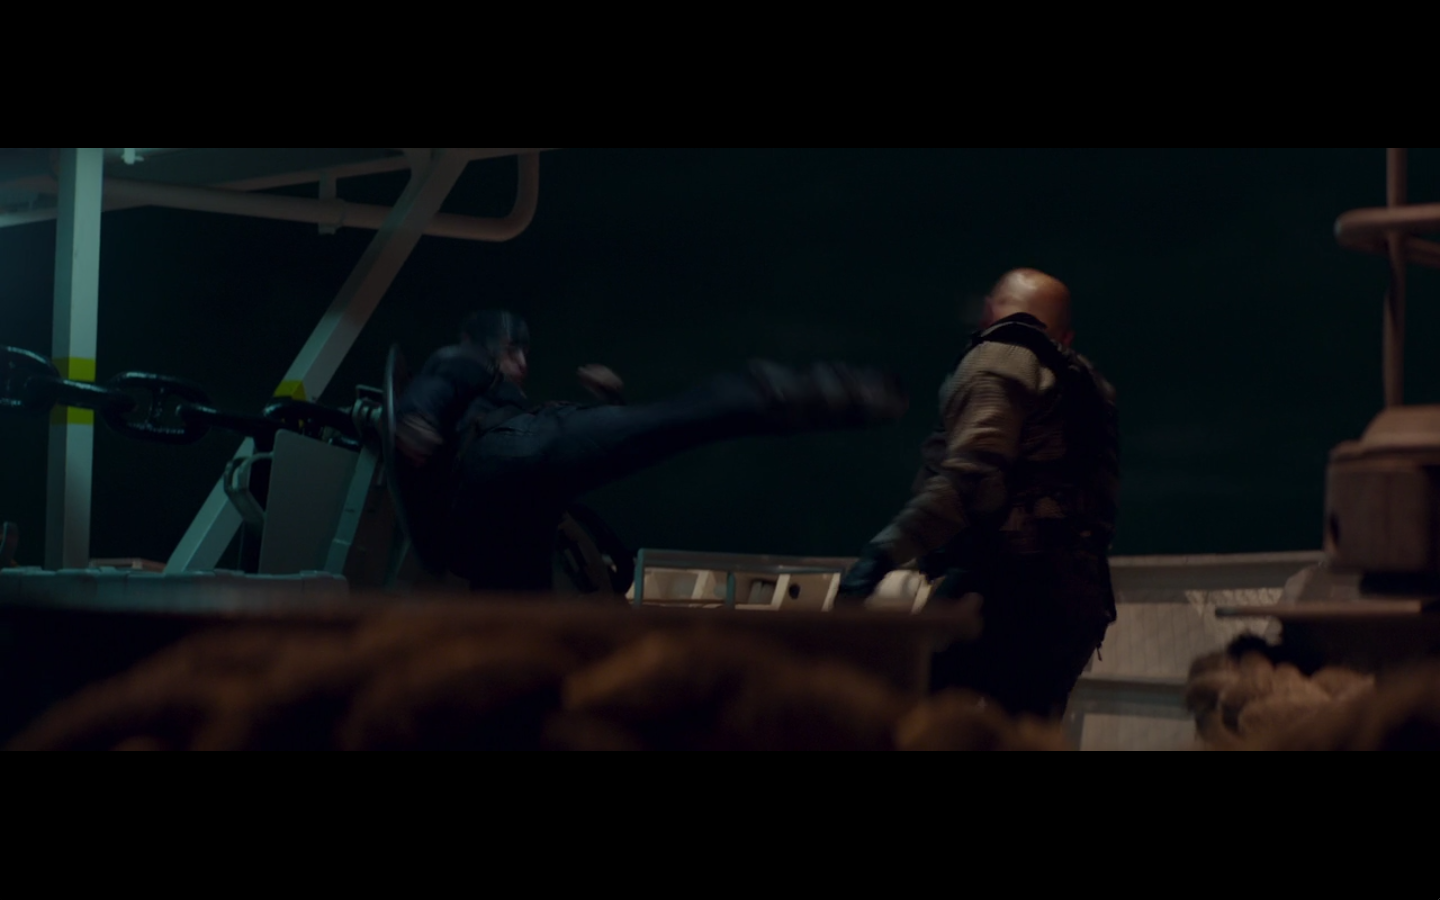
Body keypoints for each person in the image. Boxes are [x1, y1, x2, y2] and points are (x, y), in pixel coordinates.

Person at [394, 309, 909, 593]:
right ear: (488, 345)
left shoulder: (496, 404)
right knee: (675, 420)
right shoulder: (466, 362)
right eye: (513, 350)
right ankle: (803, 394)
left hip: (494, 517)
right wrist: (417, 419)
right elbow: (439, 386)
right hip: (501, 470)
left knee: (518, 625)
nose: (523, 363)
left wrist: (610, 409)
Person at [835, 269, 1120, 720]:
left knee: (906, 711)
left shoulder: (1000, 356)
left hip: (1005, 591)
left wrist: (879, 558)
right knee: (1028, 736)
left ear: (990, 311)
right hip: (1080, 598)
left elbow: (972, 483)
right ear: (1065, 336)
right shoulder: (1089, 385)